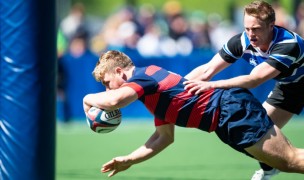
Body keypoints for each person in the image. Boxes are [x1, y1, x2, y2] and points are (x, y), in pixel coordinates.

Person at [83, 50, 304, 178]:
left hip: (231, 110)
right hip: (224, 118)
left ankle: (270, 164)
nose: (107, 89)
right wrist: (129, 160)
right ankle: (268, 164)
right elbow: (164, 137)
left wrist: (87, 100)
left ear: (120, 72)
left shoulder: (144, 77)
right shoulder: (150, 93)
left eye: (106, 83)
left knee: (289, 160)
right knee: (282, 161)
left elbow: (114, 101)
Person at [183, 1, 304, 179]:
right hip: (290, 87)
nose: (250, 34)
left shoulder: (287, 43)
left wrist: (212, 85)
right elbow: (207, 70)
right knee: (254, 134)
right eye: (247, 28)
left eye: (256, 29)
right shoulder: (242, 40)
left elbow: (254, 79)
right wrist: (175, 87)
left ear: (271, 26)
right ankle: (270, 166)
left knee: (282, 152)